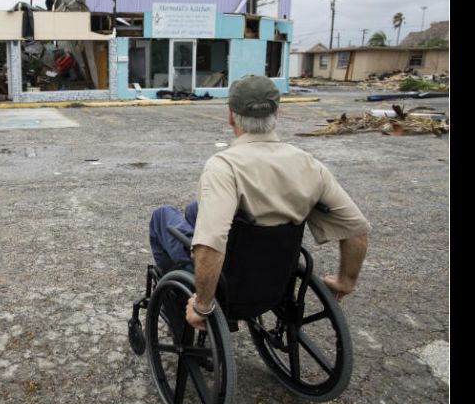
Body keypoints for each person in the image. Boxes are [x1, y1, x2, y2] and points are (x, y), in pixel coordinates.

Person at [147, 75, 370, 331]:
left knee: (162, 216)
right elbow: (355, 231)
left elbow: (210, 246)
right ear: (278, 112)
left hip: (229, 282)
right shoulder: (309, 165)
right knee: (194, 210)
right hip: (275, 278)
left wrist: (202, 305)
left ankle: (177, 308)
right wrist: (345, 281)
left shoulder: (225, 167)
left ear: (230, 116)